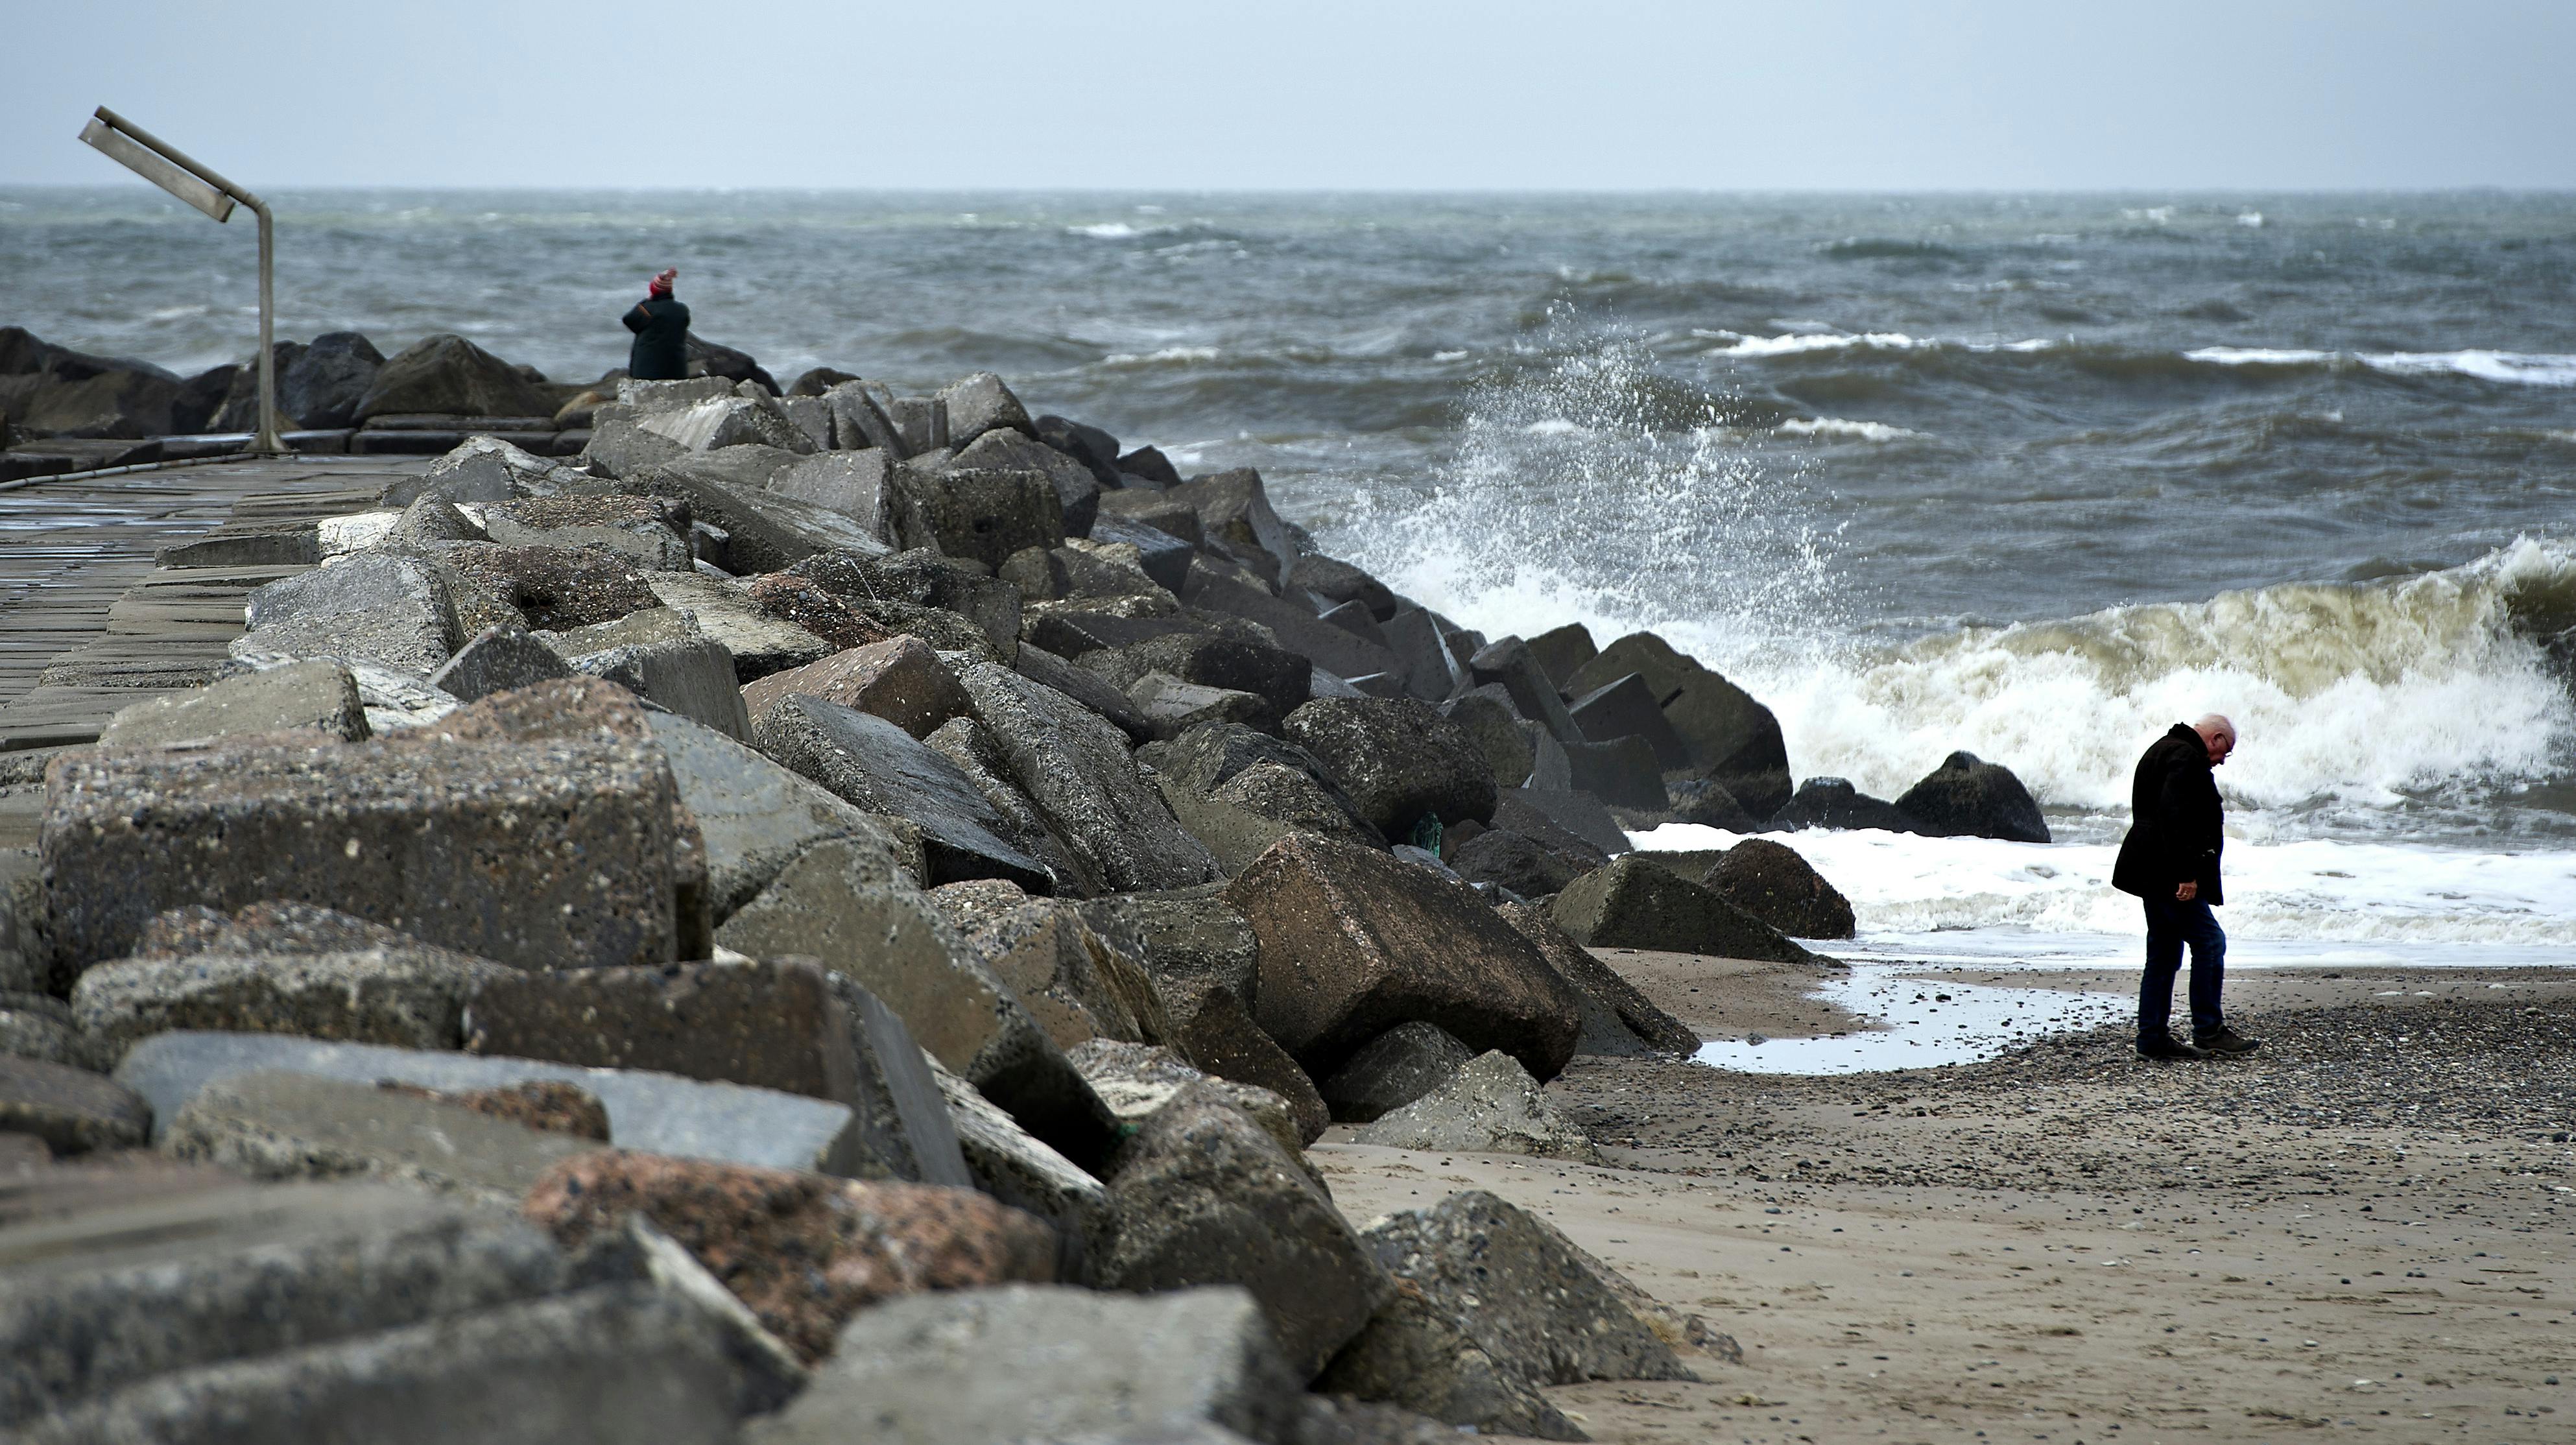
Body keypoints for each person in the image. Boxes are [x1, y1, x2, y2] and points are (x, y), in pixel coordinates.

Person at [2112, 714, 2260, 1060]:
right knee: (2210, 942)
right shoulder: (2185, 757)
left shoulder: (2161, 749)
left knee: (2164, 954)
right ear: (2216, 738)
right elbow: (2173, 816)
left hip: (2150, 867)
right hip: (2168, 872)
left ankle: (2152, 1039)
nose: (2223, 760)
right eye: (2227, 751)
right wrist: (2186, 874)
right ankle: (2209, 1030)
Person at [622, 268, 691, 381]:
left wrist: (646, 301)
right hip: (676, 369)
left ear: (653, 290)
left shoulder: (647, 308)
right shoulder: (682, 310)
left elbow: (629, 320)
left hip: (647, 369)